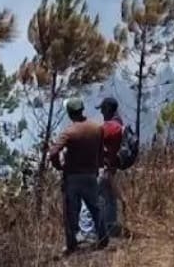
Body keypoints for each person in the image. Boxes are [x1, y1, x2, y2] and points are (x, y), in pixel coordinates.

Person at [48, 97, 108, 254]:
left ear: (69, 113)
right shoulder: (97, 128)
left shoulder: (69, 132)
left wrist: (59, 166)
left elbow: (53, 152)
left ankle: (71, 244)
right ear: (82, 110)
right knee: (95, 208)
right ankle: (103, 238)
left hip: (73, 177)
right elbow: (101, 151)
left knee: (71, 213)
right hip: (90, 175)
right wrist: (98, 166)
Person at [97, 96, 127, 237]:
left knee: (99, 199)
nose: (102, 113)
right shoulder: (119, 126)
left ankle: (101, 231)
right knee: (110, 199)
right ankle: (111, 228)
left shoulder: (109, 127)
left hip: (104, 169)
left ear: (108, 109)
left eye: (103, 110)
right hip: (112, 169)